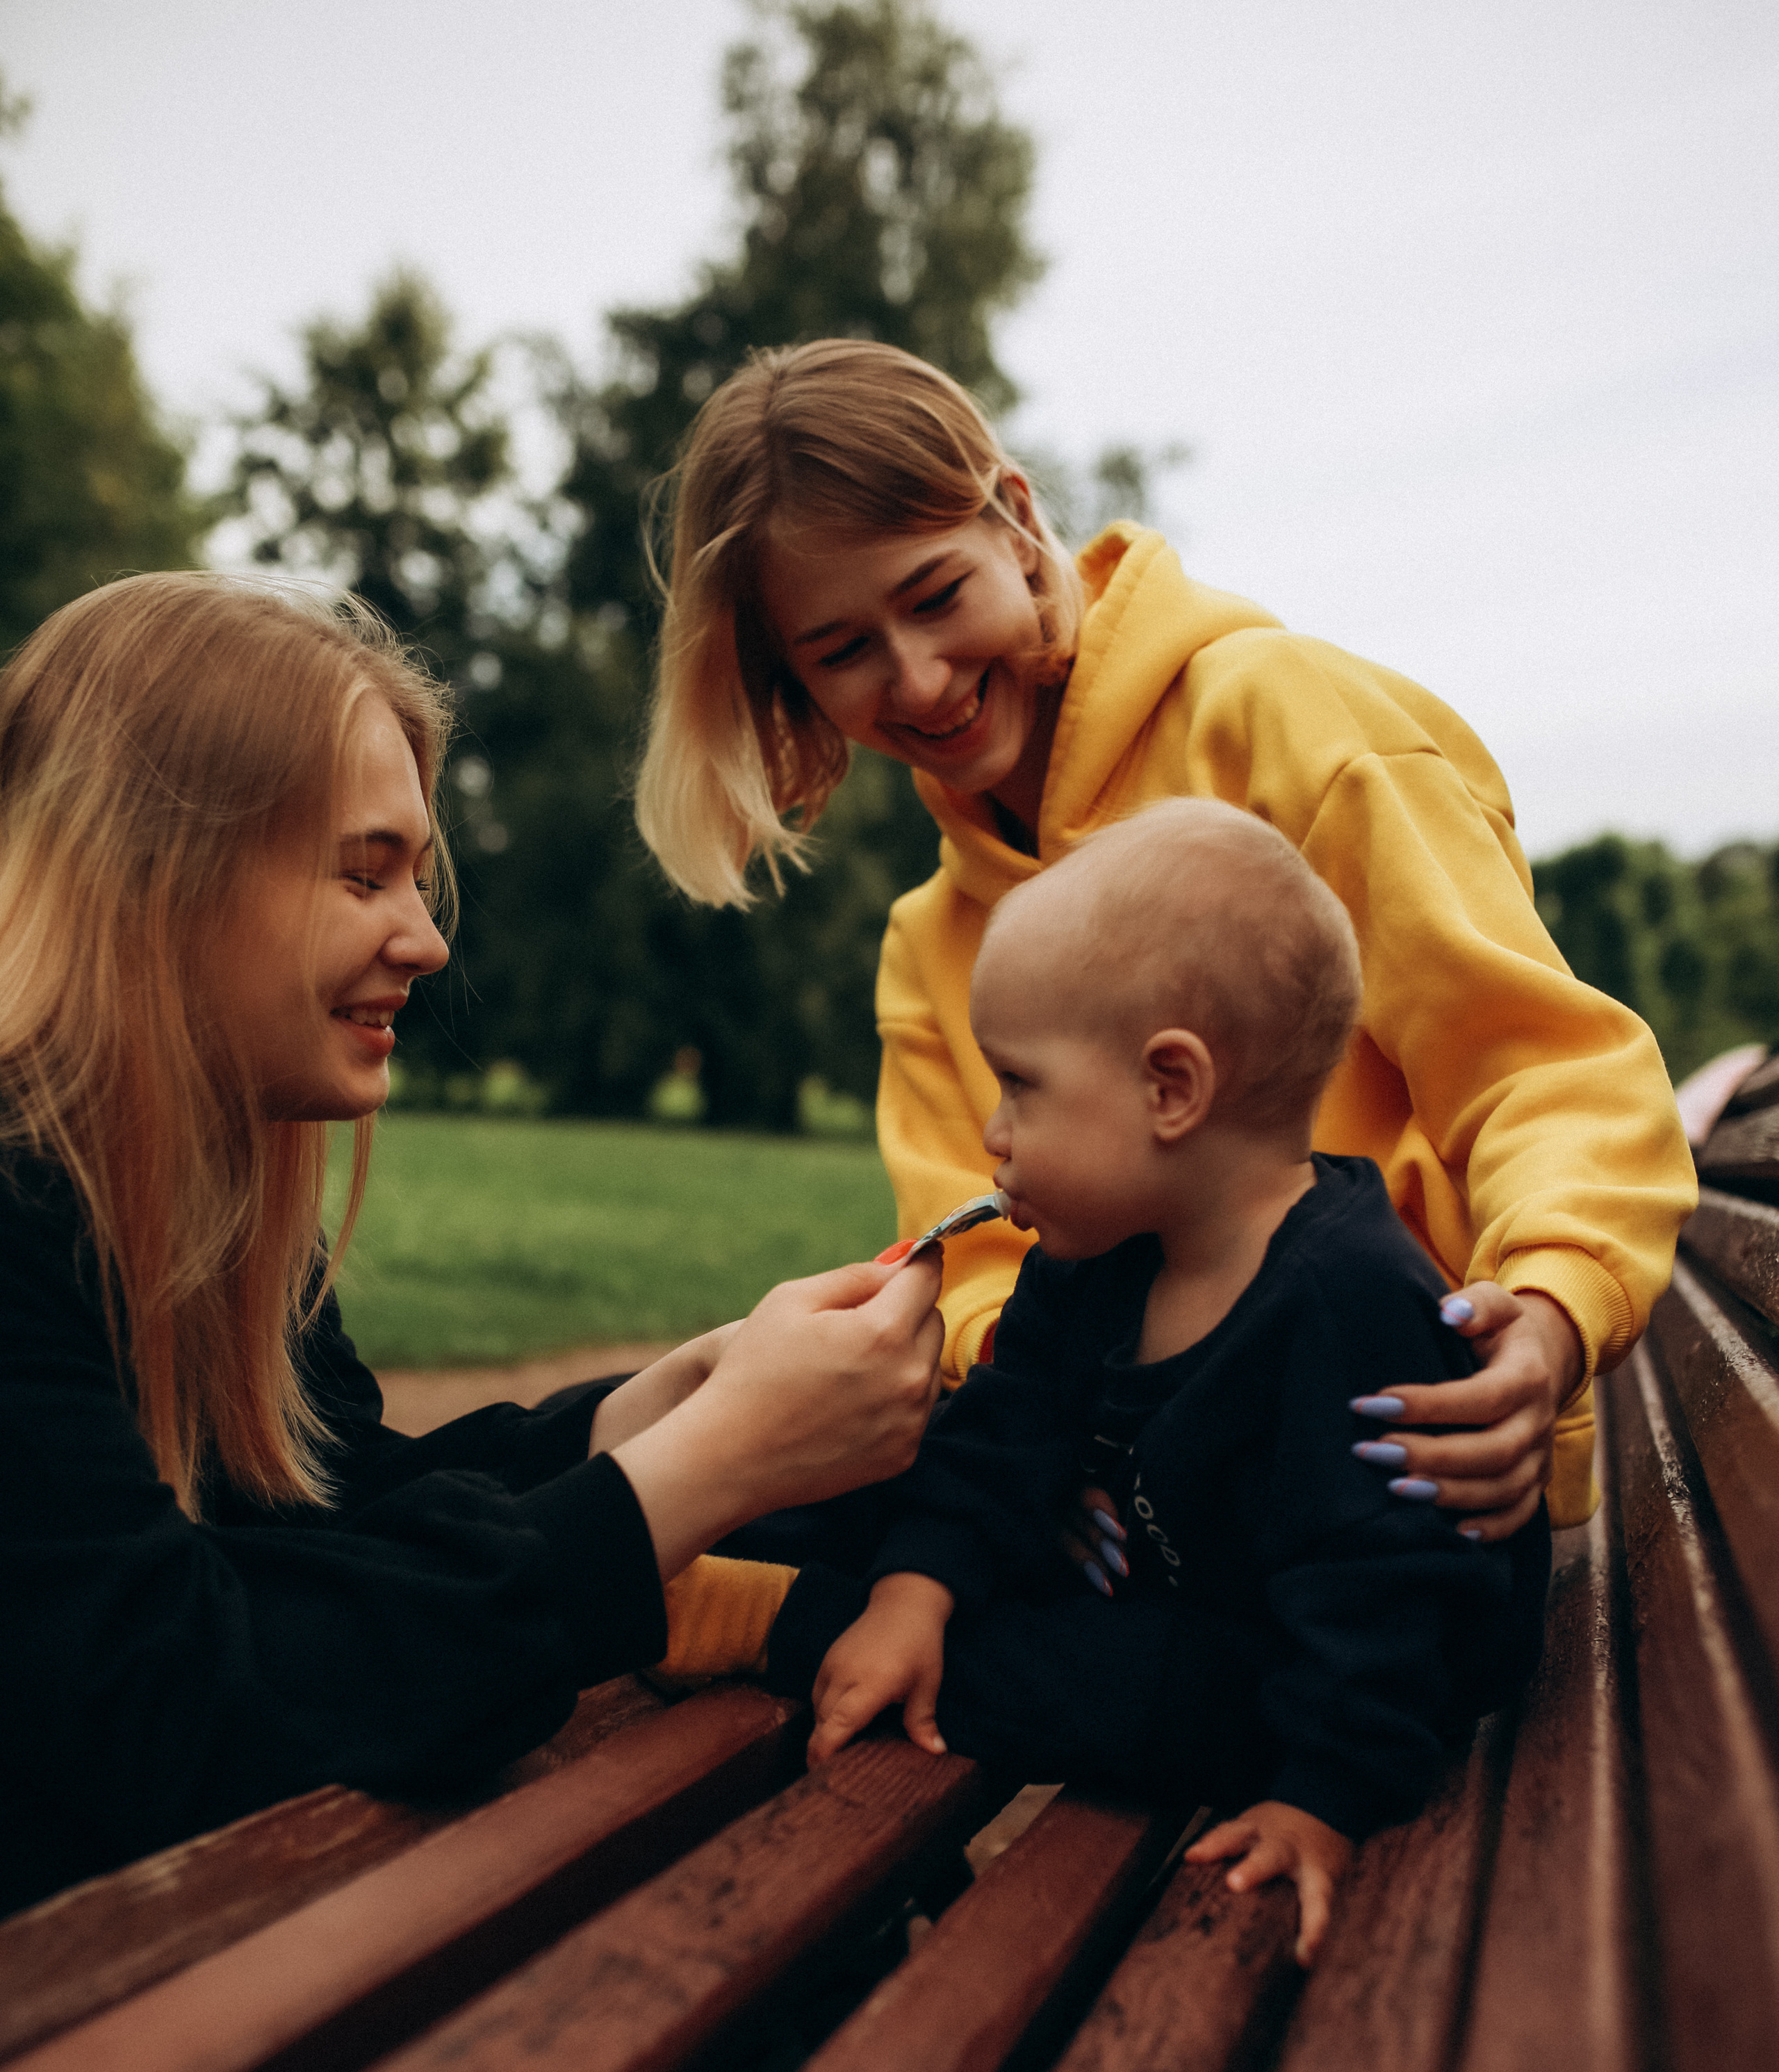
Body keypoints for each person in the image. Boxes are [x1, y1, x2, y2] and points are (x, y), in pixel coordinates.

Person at [634, 338, 1696, 1547]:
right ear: (794, 682)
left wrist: (1552, 1315)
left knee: (759, 1589)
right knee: (706, 1517)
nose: (919, 680)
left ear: (1016, 522)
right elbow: (982, 1270)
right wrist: (1061, 1431)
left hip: (1394, 1489)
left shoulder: (1282, 721)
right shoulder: (927, 946)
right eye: (843, 651)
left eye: (936, 597)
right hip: (1154, 1512)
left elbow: (1541, 1066)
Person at [0, 573, 942, 1912]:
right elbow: (175, 1712)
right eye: (363, 871)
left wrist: (644, 1415)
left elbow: (340, 1510)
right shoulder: (20, 1212)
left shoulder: (190, 1204)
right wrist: (705, 1470)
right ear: (159, 872)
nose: (427, 939)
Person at [762, 801, 1553, 1965]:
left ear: (1170, 1089)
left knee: (1095, 1682)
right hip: (1173, 1579)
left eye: (1021, 1087)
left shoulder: (1348, 1297)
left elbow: (1384, 1592)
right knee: (916, 1485)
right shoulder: (1097, 1253)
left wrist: (1322, 1799)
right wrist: (917, 1589)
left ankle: (774, 1623)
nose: (992, 1131)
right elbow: (1003, 1435)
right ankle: (810, 1580)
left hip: (1308, 1675)